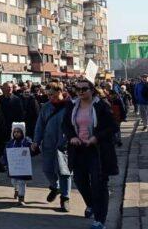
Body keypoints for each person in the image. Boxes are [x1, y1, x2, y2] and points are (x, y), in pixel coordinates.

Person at [63, 79, 119, 229]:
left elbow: (113, 126)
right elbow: (66, 125)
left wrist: (96, 137)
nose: (80, 92)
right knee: (80, 181)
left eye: (84, 89)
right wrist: (72, 137)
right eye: (78, 89)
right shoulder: (72, 105)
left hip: (98, 150)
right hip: (79, 149)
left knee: (99, 184)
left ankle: (100, 220)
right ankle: (92, 205)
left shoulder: (101, 105)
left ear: (92, 90)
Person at [33, 80, 72, 212]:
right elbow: (40, 125)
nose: (51, 97)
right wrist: (36, 141)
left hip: (64, 144)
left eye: (53, 95)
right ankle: (55, 187)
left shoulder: (70, 106)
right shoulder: (46, 107)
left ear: (61, 92)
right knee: (47, 169)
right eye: (49, 95)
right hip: (48, 143)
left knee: (64, 172)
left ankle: (65, 198)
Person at [4, 123, 33, 206]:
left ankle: (21, 198)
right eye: (15, 132)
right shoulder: (10, 143)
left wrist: (33, 146)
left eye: (18, 132)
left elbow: (33, 150)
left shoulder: (26, 142)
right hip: (14, 168)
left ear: (22, 132)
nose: (16, 133)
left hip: (23, 168)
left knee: (21, 182)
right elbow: (6, 153)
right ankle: (16, 189)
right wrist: (5, 162)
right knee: (13, 181)